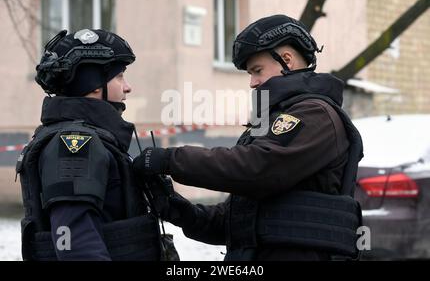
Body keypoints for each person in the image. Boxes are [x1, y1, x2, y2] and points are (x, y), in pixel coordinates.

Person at [133, 14, 364, 261]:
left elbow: (257, 168)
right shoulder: (272, 120)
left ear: (287, 60)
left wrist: (171, 159)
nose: (253, 83)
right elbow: (236, 221)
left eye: (257, 70)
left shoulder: (314, 114)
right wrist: (177, 209)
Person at [17, 29, 163, 261]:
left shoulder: (94, 138)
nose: (127, 87)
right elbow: (76, 243)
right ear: (94, 85)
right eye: (119, 76)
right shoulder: (76, 144)